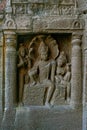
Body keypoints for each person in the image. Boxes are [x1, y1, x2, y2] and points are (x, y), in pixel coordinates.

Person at [28, 41, 56, 106]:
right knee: (30, 73)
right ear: (40, 55)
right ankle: (34, 82)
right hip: (39, 79)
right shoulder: (38, 62)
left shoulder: (52, 62)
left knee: (52, 85)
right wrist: (32, 72)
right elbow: (34, 69)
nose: (45, 56)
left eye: (46, 54)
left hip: (46, 80)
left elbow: (52, 75)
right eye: (43, 54)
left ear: (48, 54)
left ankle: (47, 101)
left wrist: (52, 81)